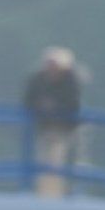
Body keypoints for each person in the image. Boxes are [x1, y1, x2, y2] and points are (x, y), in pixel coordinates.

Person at [23, 47, 82, 197]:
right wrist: (40, 105)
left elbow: (73, 104)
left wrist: (55, 107)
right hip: (43, 128)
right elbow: (27, 100)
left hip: (62, 130)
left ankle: (55, 194)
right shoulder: (38, 80)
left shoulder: (69, 82)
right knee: (42, 161)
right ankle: (43, 193)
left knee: (57, 162)